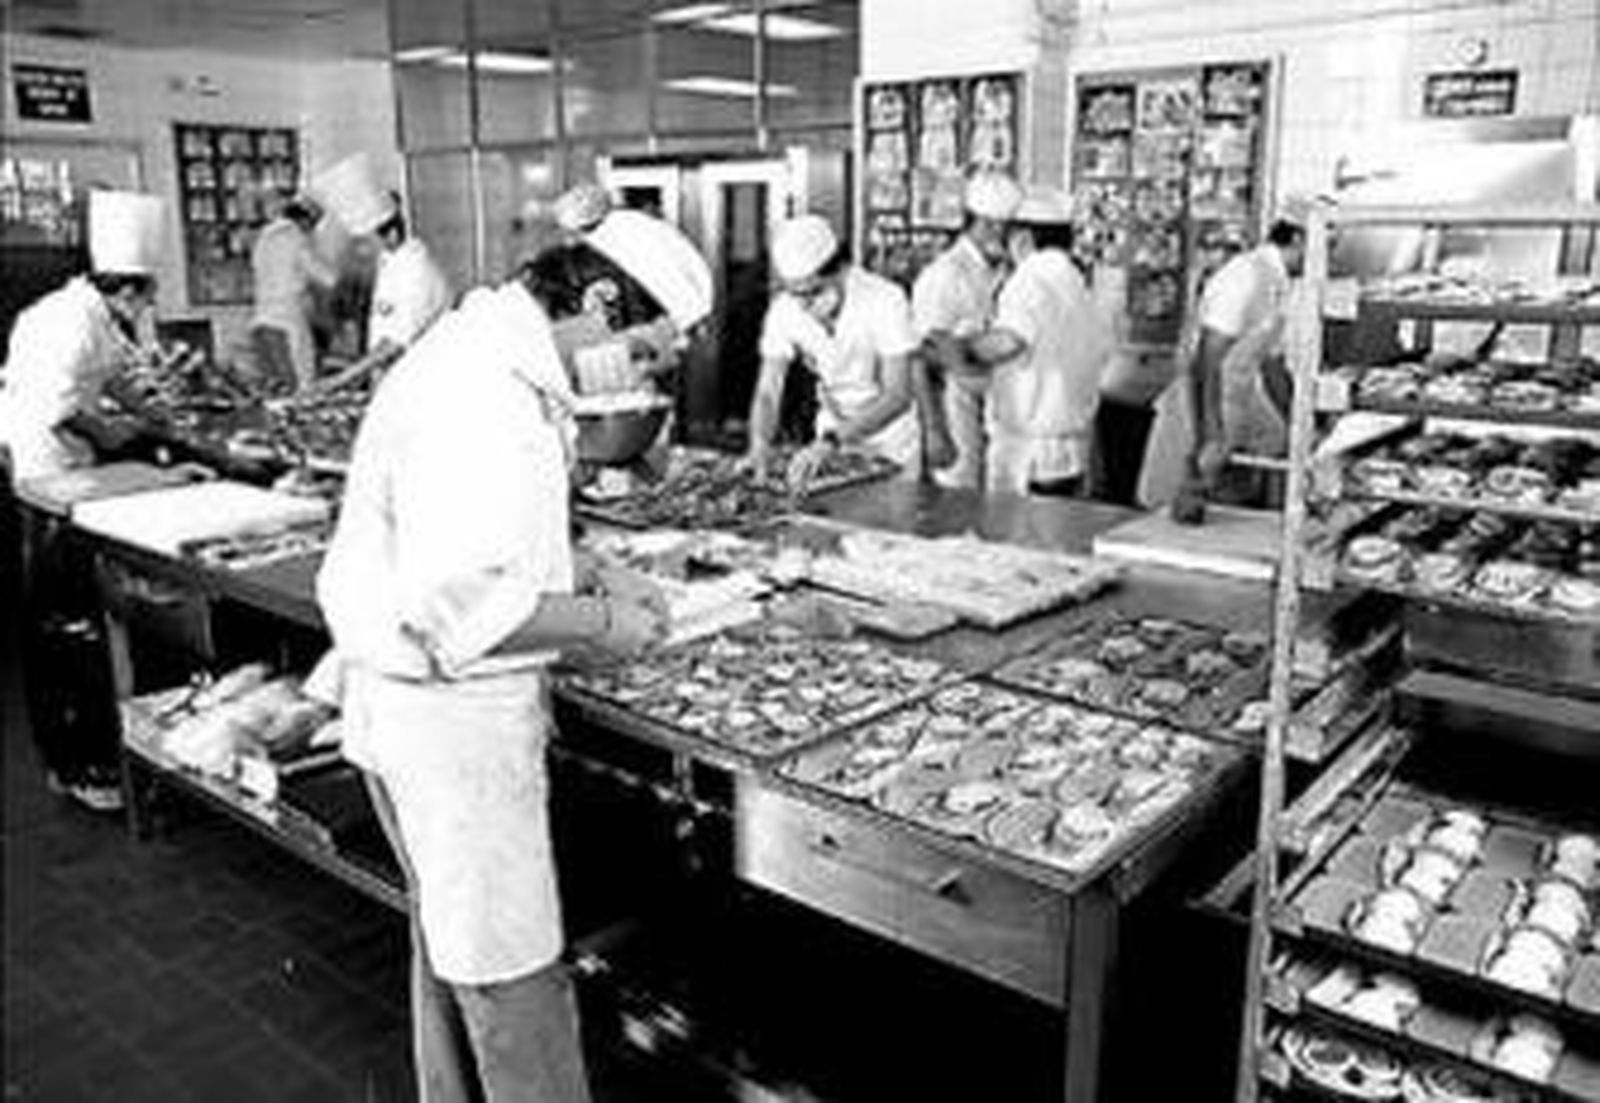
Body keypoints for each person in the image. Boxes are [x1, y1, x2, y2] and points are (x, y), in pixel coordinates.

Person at [312, 250, 671, 1102]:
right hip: (449, 729)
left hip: (406, 713)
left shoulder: (485, 352)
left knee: (449, 944)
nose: (640, 373)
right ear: (598, 300)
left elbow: (487, 535)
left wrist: (584, 568)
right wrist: (605, 625)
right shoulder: (485, 397)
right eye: (646, 350)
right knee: (511, 976)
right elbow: (467, 605)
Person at [0, 189, 167, 812]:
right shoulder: (68, 320)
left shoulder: (96, 315)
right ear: (125, 288)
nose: (149, 304)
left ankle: (77, 755)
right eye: (147, 292)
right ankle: (78, 763)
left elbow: (117, 374)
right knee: (61, 620)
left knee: (74, 612)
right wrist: (118, 433)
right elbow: (61, 408)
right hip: (45, 477)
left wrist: (152, 414)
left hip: (72, 472)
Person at [1140, 195, 1318, 518]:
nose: (1327, 258)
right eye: (1326, 246)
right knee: (1177, 509)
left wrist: (1301, 425)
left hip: (1236, 401)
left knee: (1262, 455)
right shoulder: (1248, 275)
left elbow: (1273, 365)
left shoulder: (1279, 283)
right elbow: (1206, 359)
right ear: (1298, 238)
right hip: (1200, 402)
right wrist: (1210, 432)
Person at [747, 214, 919, 491]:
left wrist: (832, 441)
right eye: (796, 294)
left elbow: (897, 395)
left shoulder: (885, 299)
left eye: (813, 292)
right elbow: (768, 390)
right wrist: (759, 444)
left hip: (889, 440)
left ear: (841, 270)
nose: (804, 304)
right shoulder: (784, 309)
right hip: (831, 433)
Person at [963, 186, 1114, 497]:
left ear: (1023, 239)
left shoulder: (1030, 278)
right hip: (1069, 451)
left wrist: (964, 347)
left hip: (1030, 455)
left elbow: (1009, 341)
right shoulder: (1078, 283)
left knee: (1020, 540)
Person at [911, 169, 1024, 488]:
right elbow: (918, 356)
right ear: (989, 224)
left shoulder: (1007, 270)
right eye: (1007, 229)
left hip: (999, 406)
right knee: (959, 500)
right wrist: (934, 431)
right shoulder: (944, 275)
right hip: (954, 407)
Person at [310, 155, 452, 394]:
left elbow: (394, 344)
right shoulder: (390, 263)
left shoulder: (415, 271)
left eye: (366, 243)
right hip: (393, 383)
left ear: (392, 235)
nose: (361, 250)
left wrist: (341, 379)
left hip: (420, 385)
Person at [248, 191, 337, 393]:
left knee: (275, 393)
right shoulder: (296, 239)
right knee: (299, 392)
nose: (312, 231)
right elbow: (328, 278)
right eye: (313, 226)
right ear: (305, 220)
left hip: (261, 325)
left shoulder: (264, 239)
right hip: (287, 328)